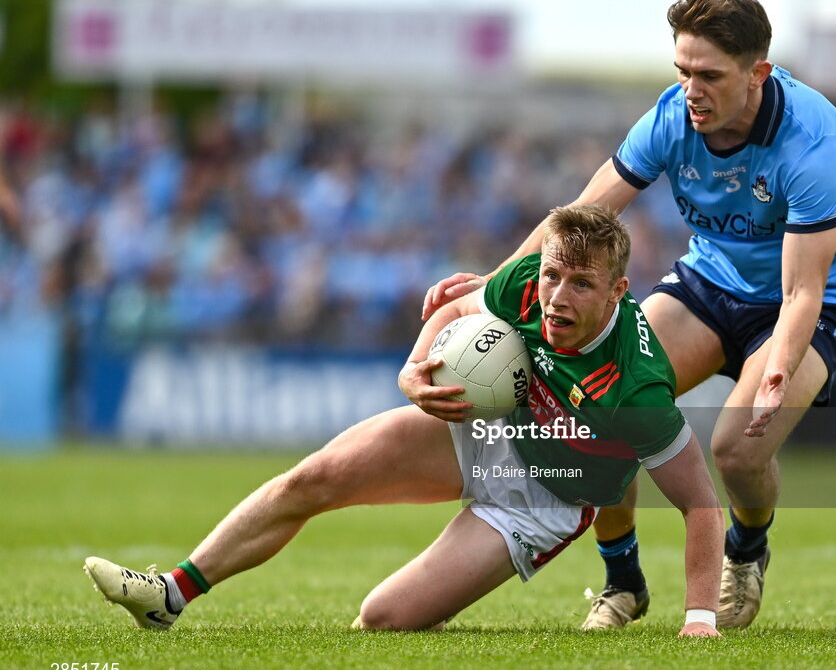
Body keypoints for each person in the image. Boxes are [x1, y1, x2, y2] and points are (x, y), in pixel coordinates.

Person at [422, 0, 836, 630]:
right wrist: (497, 279)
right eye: (683, 71)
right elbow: (583, 216)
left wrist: (778, 368)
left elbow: (803, 291)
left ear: (758, 74)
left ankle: (746, 548)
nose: (692, 89)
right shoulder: (670, 118)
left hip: (810, 305)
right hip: (710, 285)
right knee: (601, 404)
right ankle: (624, 580)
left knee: (738, 450)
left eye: (710, 76)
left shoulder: (813, 141)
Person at [84, 204, 724, 638]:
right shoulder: (528, 281)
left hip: (546, 495)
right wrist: (413, 371)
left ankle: (620, 577)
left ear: (618, 291)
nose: (557, 296)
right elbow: (458, 312)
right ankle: (171, 593)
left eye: (581, 284)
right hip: (491, 425)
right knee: (314, 478)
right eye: (553, 275)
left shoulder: (638, 390)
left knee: (383, 618)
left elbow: (700, 504)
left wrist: (699, 619)